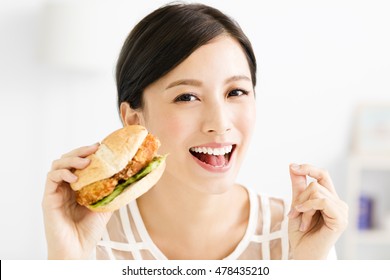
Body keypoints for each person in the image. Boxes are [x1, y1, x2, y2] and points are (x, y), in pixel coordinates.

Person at [42, 2, 348, 260]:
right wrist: (69, 265)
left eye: (236, 92)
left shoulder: (300, 234)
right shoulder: (92, 237)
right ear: (134, 120)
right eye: (186, 97)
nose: (219, 122)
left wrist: (307, 267)